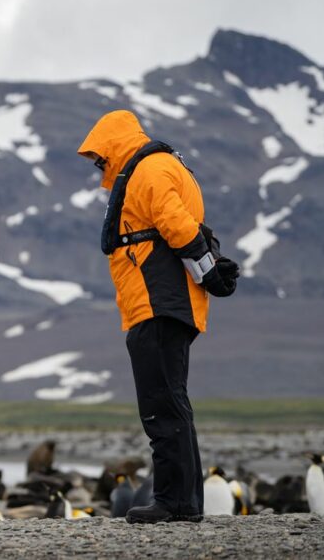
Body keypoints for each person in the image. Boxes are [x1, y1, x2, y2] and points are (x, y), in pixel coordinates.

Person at [76, 110, 239, 524]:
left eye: (101, 158)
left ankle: (173, 500)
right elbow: (181, 225)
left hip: (157, 302)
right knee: (171, 401)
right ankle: (184, 501)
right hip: (160, 303)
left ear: (115, 144)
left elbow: (177, 224)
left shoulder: (148, 170)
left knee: (161, 404)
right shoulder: (159, 166)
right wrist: (210, 270)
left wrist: (207, 267)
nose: (100, 169)